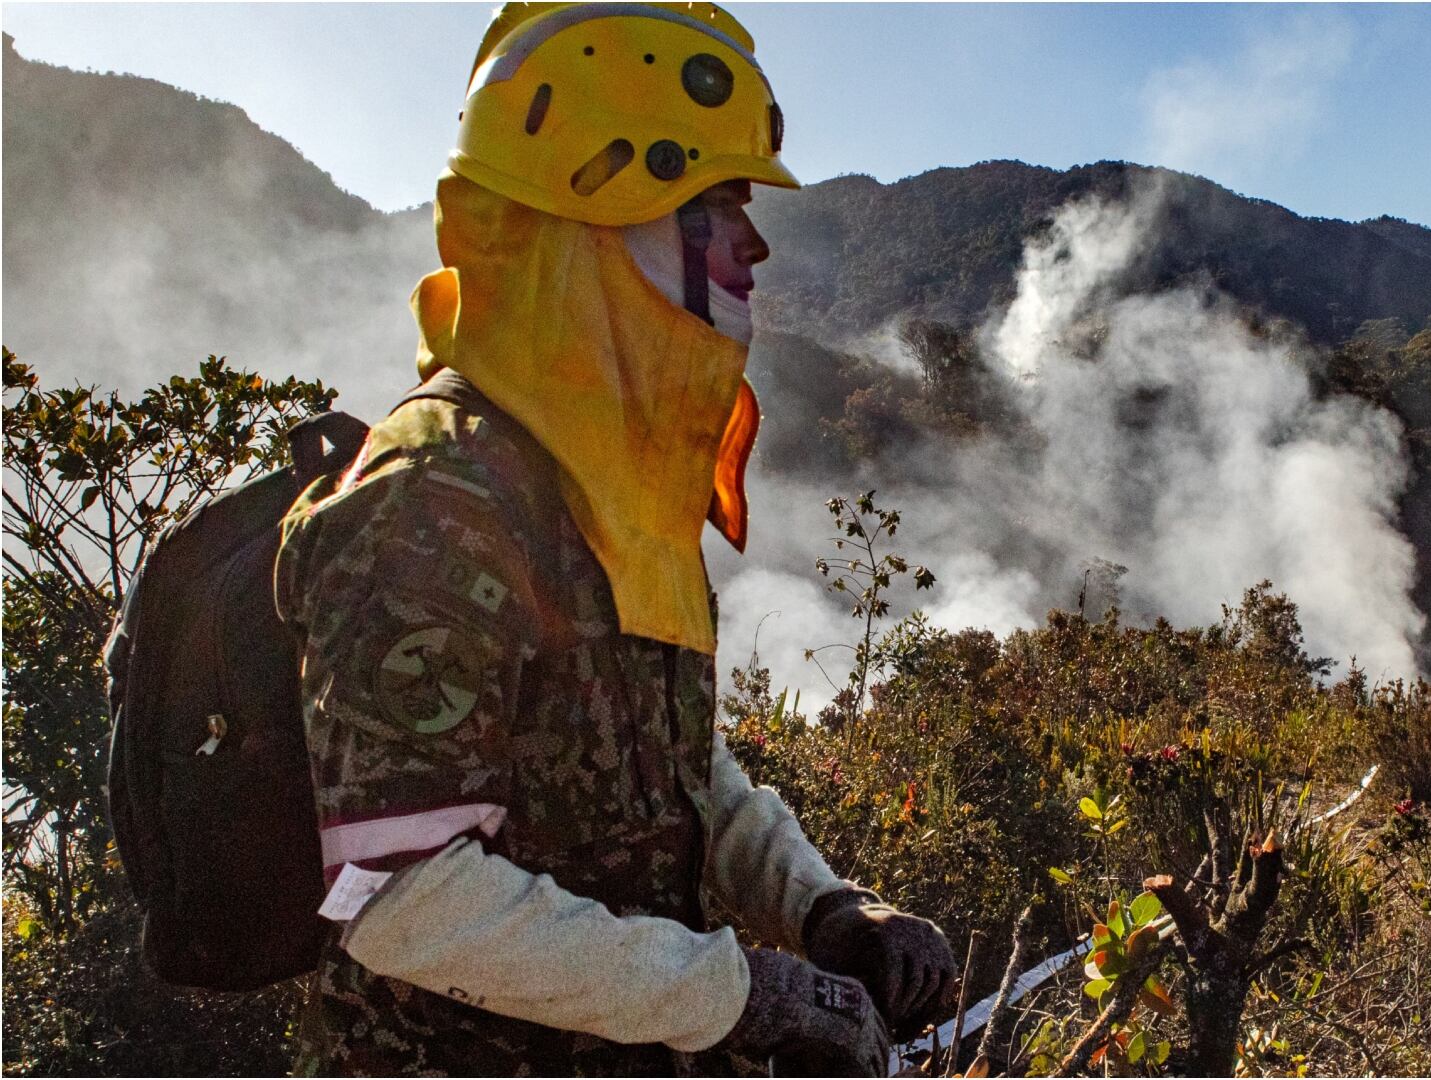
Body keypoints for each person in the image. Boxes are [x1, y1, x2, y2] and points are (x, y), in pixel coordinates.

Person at [273, 3, 957, 1074]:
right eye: (714, 204)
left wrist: (822, 906)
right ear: (593, 217)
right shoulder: (435, 495)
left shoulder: (608, 470)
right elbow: (402, 895)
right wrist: (742, 993)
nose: (755, 243)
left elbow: (673, 763)